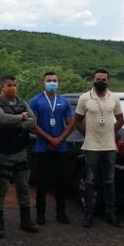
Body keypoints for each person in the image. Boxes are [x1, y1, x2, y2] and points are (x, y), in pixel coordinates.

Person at [0, 75, 39, 238]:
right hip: (3, 154)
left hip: (21, 152)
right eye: (9, 85)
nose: (12, 87)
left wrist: (15, 125)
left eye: (14, 84)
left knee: (23, 188)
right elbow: (1, 119)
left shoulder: (22, 102)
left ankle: (26, 221)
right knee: (1, 190)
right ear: (1, 87)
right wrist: (20, 118)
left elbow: (33, 121)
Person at [74, 69, 124, 228]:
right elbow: (77, 121)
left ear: (108, 81)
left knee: (109, 181)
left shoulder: (114, 98)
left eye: (104, 79)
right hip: (91, 147)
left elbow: (121, 120)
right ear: (93, 81)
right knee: (90, 181)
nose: (101, 81)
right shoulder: (84, 98)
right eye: (98, 79)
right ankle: (88, 215)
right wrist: (89, 134)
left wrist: (110, 132)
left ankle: (111, 213)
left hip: (109, 147)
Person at [29, 71, 74, 225]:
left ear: (58, 82)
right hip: (43, 147)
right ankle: (40, 213)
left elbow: (71, 123)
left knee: (61, 181)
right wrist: (50, 139)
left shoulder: (64, 101)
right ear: (43, 83)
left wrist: (59, 139)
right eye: (49, 80)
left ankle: (61, 213)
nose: (52, 83)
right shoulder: (35, 101)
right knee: (42, 182)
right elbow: (32, 125)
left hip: (61, 148)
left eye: (54, 80)